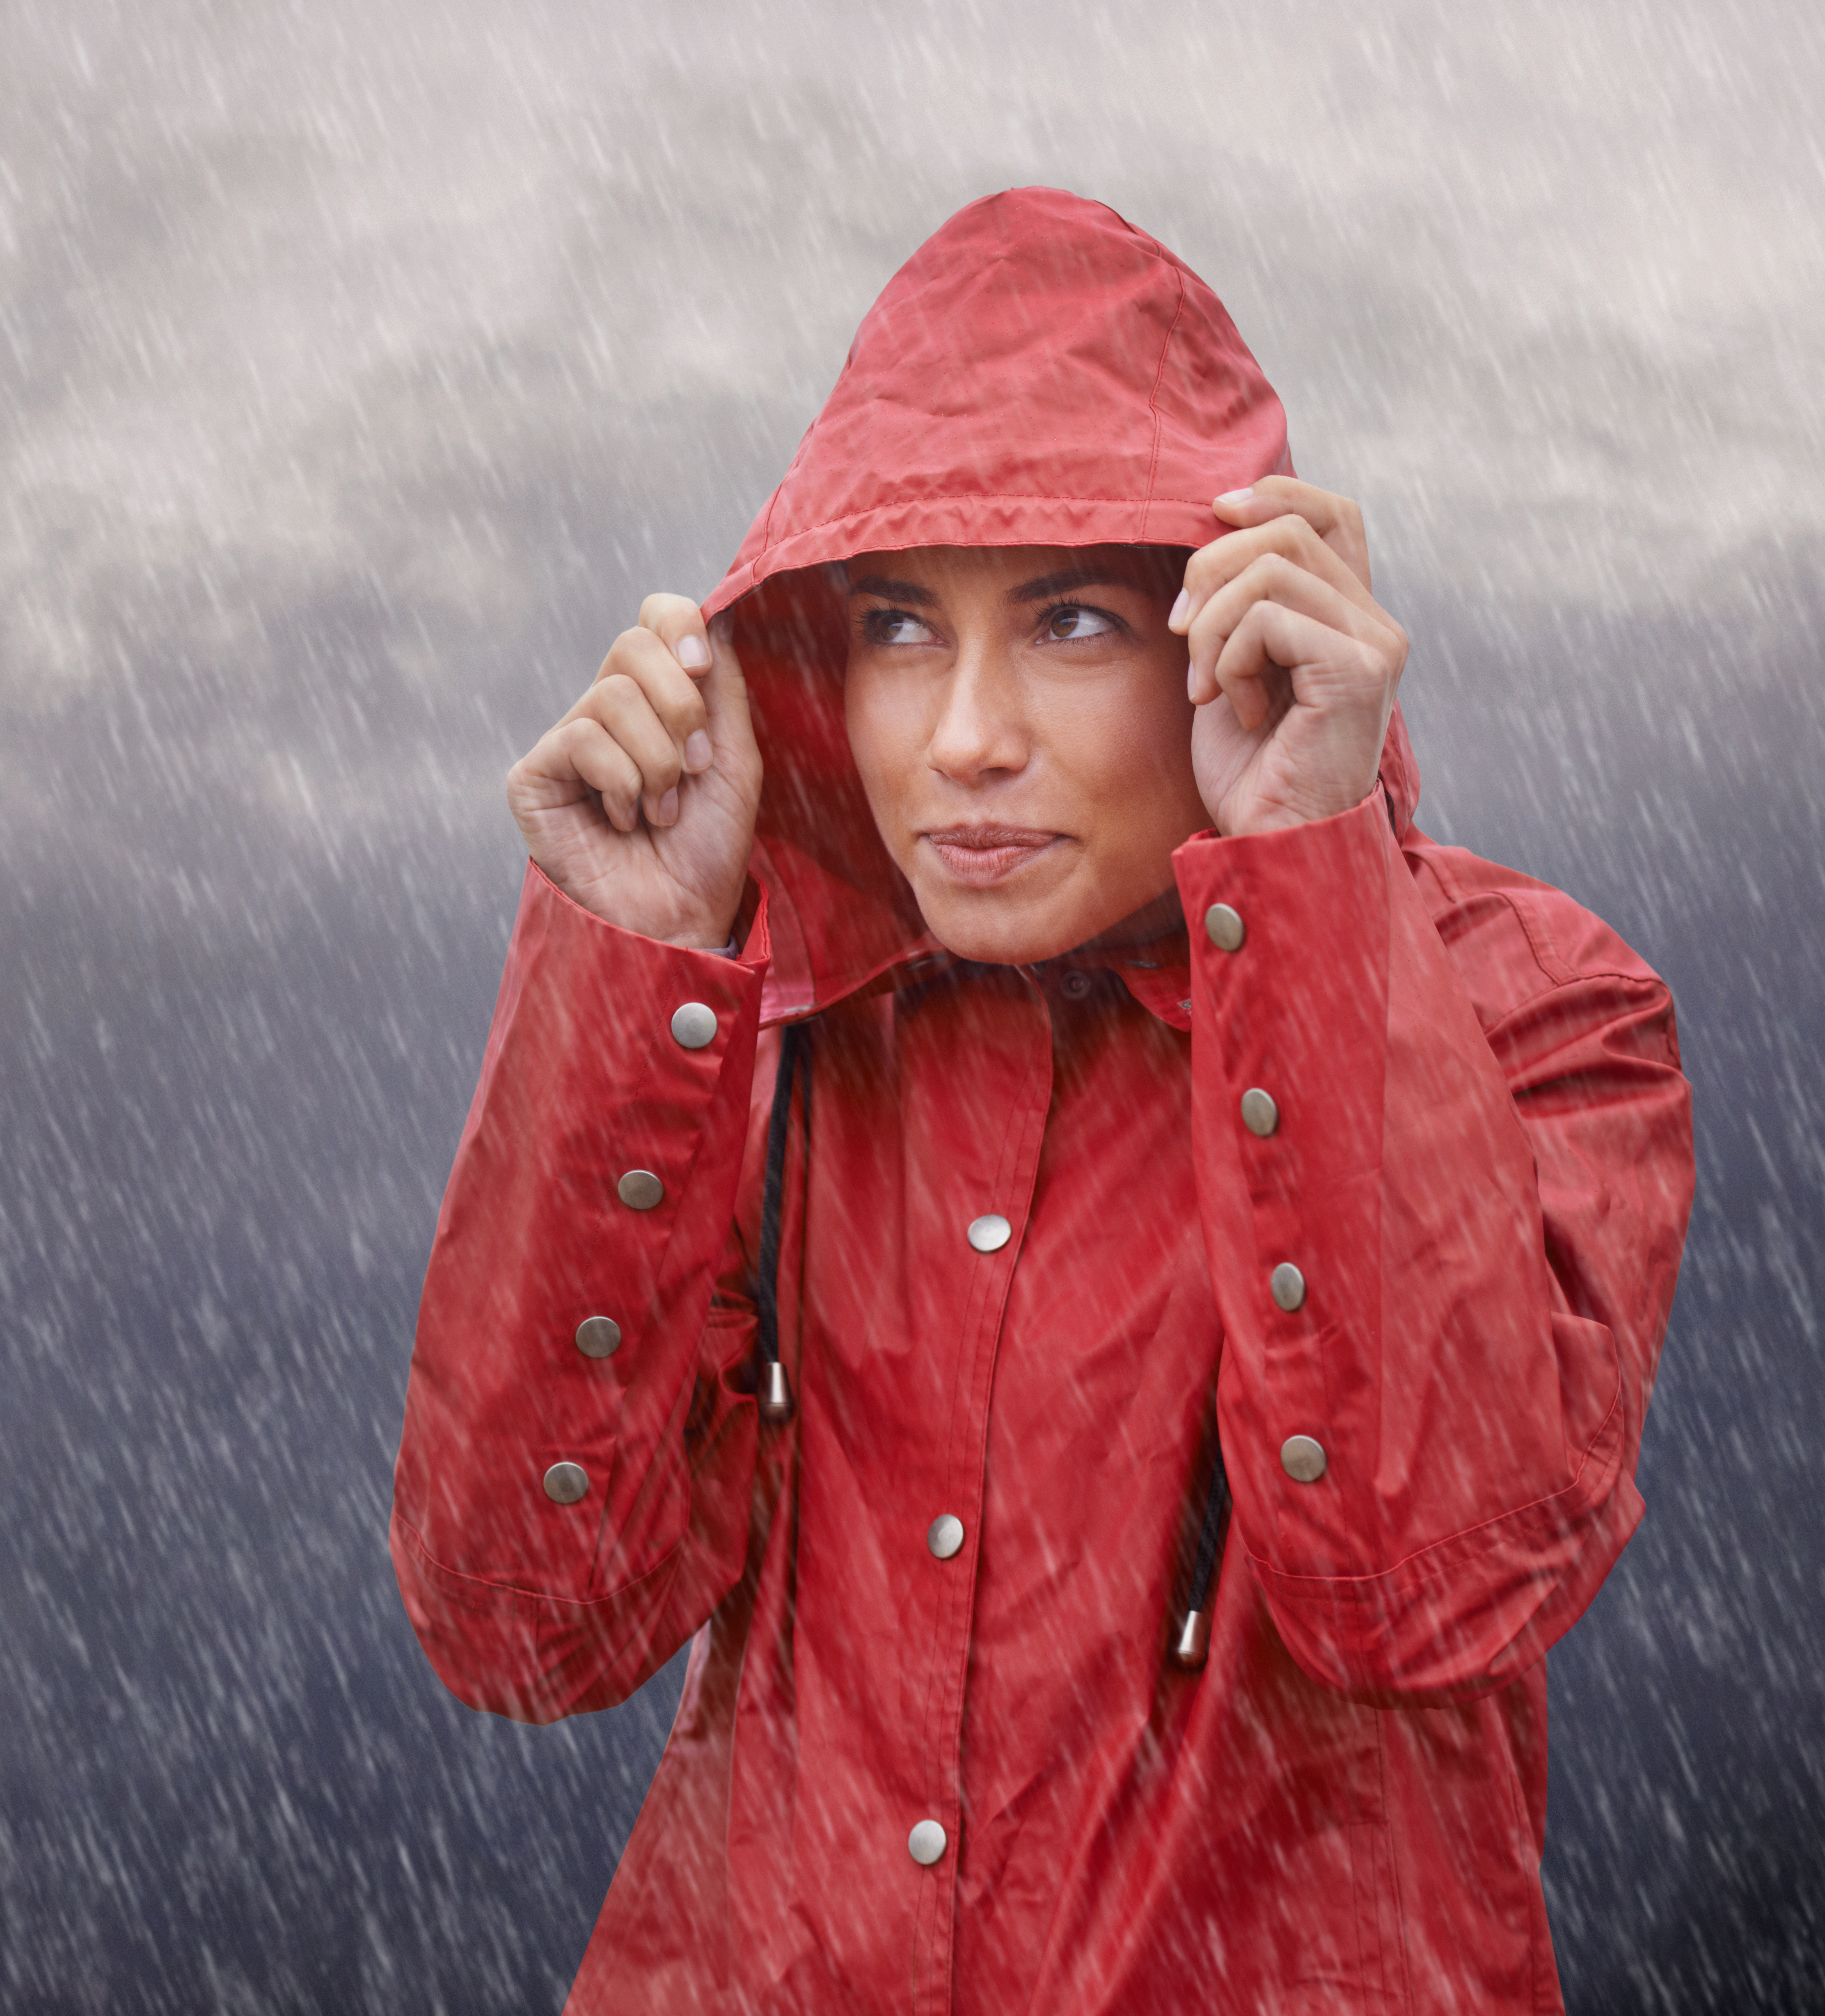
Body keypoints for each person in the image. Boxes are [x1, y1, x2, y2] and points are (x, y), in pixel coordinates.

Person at [388, 187, 1695, 2013]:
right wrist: (625, 971)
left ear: (1237, 627)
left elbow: (1428, 1580)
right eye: (903, 627)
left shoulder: (1538, 1009)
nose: (963, 735)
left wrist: (1311, 880)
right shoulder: (748, 1026)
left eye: (1074, 621)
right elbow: (523, 1616)